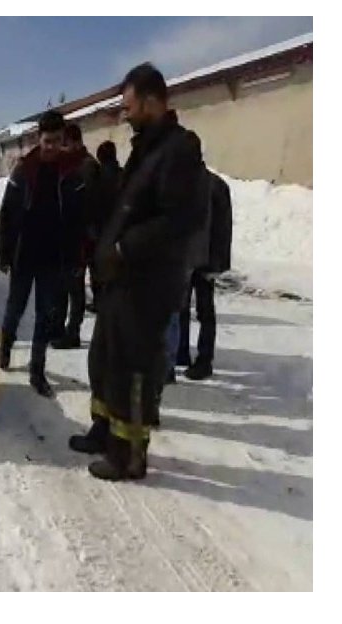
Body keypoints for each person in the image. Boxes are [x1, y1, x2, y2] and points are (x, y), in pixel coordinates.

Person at [68, 63, 209, 481]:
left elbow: (178, 220)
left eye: (129, 106)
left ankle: (129, 454)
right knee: (106, 359)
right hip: (121, 281)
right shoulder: (146, 149)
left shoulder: (179, 150)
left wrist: (125, 248)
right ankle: (103, 431)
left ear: (151, 101)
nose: (124, 114)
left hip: (147, 282)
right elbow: (130, 207)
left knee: (133, 368)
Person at [0, 110, 83, 398]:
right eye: (47, 141)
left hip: (53, 257)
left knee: (46, 315)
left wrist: (75, 258)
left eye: (57, 141)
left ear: (63, 140)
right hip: (24, 254)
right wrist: (3, 251)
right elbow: (7, 214)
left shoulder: (70, 172)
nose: (51, 147)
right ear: (39, 138)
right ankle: (5, 346)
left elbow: (77, 219)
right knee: (15, 308)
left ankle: (37, 370)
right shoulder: (24, 169)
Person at [177, 171, 233, 380]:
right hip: (201, 257)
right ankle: (190, 354)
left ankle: (199, 358)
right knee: (194, 309)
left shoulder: (205, 185)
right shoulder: (210, 184)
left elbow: (222, 226)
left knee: (199, 309)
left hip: (199, 258)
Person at [51, 124, 101, 349]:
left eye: (64, 143)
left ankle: (73, 332)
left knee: (75, 287)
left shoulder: (87, 166)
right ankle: (58, 327)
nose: (62, 148)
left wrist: (86, 239)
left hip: (80, 238)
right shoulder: (68, 165)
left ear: (75, 142)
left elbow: (89, 207)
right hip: (63, 235)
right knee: (61, 285)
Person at [87, 141, 122, 312]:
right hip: (119, 232)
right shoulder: (124, 175)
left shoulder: (97, 177)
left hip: (101, 232)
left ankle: (100, 302)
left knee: (98, 271)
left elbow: (92, 205)